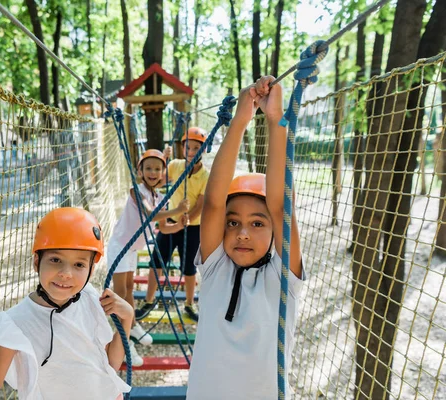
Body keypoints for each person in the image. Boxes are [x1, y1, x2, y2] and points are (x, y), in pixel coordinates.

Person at [186, 76, 305, 399]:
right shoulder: (215, 269)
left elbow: (280, 206)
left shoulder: (283, 281)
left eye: (256, 224)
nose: (241, 233)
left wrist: (274, 119)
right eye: (233, 222)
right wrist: (240, 121)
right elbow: (212, 204)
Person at [0, 208, 132, 400]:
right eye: (55, 260)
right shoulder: (15, 323)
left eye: (79, 265)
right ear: (36, 261)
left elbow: (110, 363)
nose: (66, 273)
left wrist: (127, 318)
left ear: (91, 271)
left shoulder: (89, 298)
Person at [107, 149, 189, 366]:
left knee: (129, 290)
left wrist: (179, 224)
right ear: (140, 171)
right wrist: (177, 210)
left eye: (157, 168)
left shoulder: (159, 197)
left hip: (132, 249)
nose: (153, 172)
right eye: (148, 168)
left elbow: (163, 228)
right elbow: (149, 214)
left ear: (163, 173)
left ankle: (132, 326)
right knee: (120, 294)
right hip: (120, 246)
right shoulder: (136, 191)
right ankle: (124, 342)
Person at [134, 128, 210, 322]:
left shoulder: (205, 176)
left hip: (193, 227)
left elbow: (201, 204)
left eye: (196, 148)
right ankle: (149, 301)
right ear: (183, 149)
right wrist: (164, 160)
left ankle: (189, 303)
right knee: (157, 261)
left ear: (204, 150)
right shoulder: (176, 166)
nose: (191, 152)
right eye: (188, 147)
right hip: (172, 221)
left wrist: (188, 220)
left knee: (189, 267)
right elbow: (157, 182)